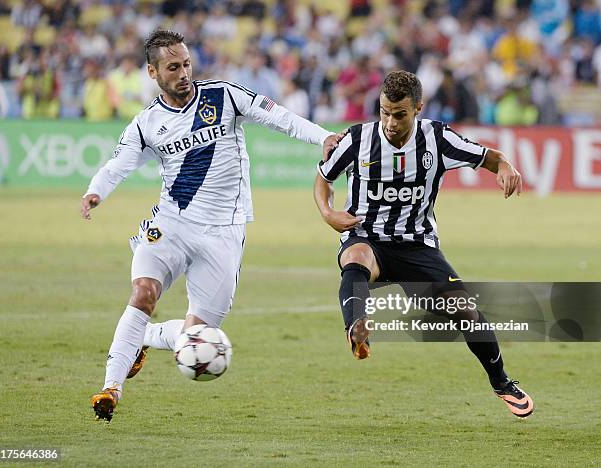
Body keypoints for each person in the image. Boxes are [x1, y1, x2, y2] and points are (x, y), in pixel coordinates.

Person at [81, 30, 342, 422]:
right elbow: (118, 163)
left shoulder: (224, 95)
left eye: (186, 63)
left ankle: (147, 337)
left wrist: (323, 138)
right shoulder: (146, 123)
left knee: (195, 340)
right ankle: (111, 388)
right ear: (153, 72)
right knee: (144, 292)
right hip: (172, 222)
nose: (183, 73)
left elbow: (279, 117)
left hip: (224, 232)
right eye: (173, 67)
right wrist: (95, 191)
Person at [313, 70, 533, 418]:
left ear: (417, 108)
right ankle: (357, 327)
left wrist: (505, 166)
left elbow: (489, 156)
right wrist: (328, 213)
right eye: (384, 112)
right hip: (367, 236)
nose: (389, 122)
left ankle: (502, 382)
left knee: (467, 313)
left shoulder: (437, 139)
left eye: (399, 114)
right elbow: (323, 179)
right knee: (355, 256)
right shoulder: (358, 140)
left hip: (418, 246)